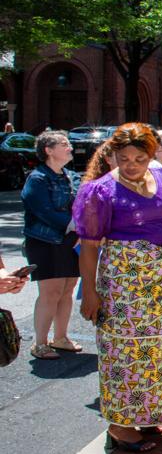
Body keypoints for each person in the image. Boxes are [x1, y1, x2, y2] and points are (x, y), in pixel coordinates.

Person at [75, 123, 162, 452]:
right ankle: (120, 426)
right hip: (122, 282)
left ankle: (150, 413)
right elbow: (89, 247)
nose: (131, 165)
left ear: (151, 155)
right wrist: (90, 292)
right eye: (123, 158)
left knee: (159, 349)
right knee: (123, 352)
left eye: (139, 159)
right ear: (112, 156)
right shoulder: (100, 191)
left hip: (160, 278)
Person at [22, 130, 82, 359]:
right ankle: (40, 343)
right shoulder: (37, 178)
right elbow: (43, 210)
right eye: (64, 144)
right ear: (48, 150)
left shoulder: (71, 176)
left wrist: (82, 226)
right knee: (51, 291)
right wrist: (73, 224)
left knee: (67, 289)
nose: (70, 147)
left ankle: (61, 337)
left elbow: (81, 204)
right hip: (45, 242)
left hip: (69, 241)